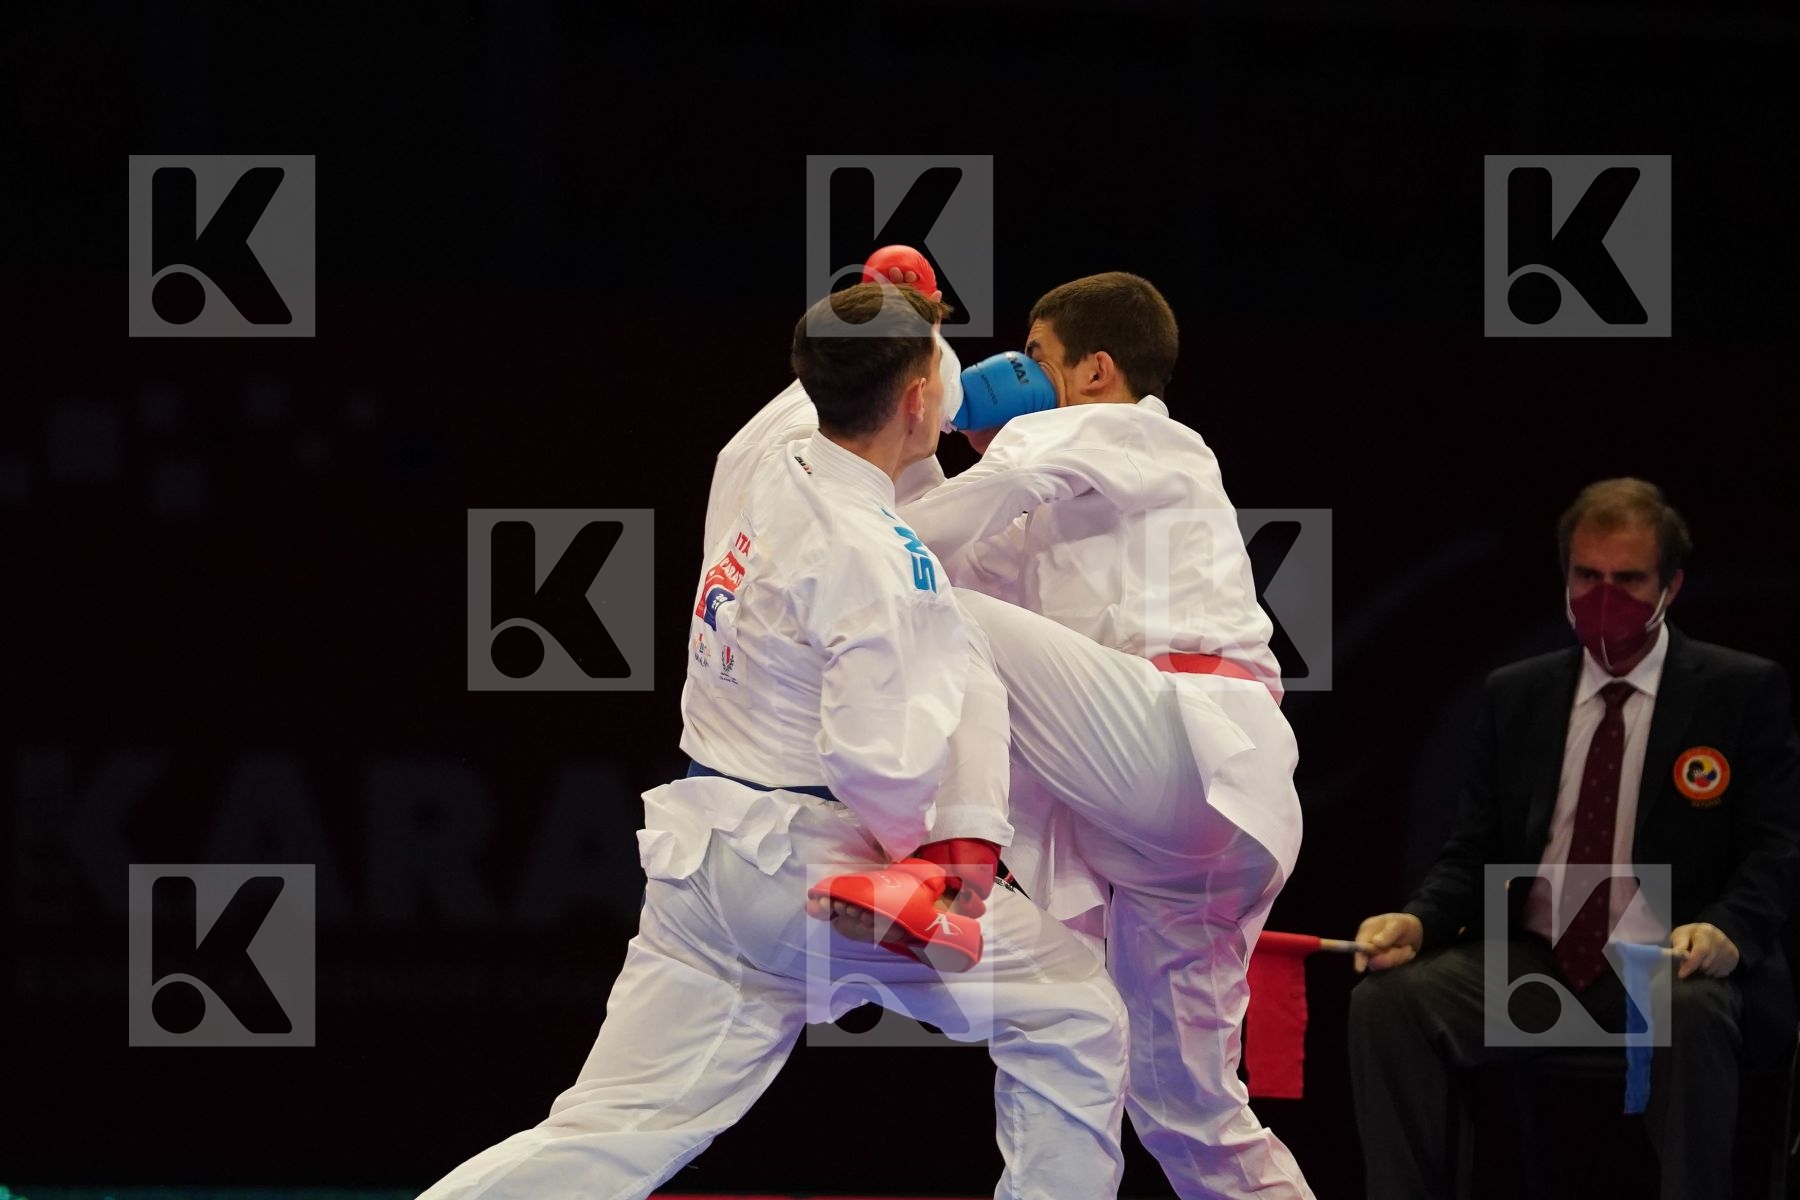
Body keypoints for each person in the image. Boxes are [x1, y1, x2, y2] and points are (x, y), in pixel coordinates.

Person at [416, 283, 1129, 1200]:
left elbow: (850, 368)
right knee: (1072, 1012)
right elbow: (882, 769)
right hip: (813, 875)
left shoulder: (762, 452)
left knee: (611, 1132)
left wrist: (902, 313)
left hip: (701, 856)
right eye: (934, 377)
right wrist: (938, 849)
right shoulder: (880, 558)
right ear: (916, 399)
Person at [901, 271, 1316, 1198]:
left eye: (1035, 359)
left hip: (1184, 744)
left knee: (946, 615)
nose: (1020, 375)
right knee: (1176, 1106)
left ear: (1094, 370)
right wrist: (916, 438)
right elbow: (925, 549)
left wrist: (929, 380)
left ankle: (954, 859)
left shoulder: (1129, 428)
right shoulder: (1050, 491)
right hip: (1194, 822)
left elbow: (909, 559)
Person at [1347, 478, 1800, 1200]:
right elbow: (1471, 852)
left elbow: (1775, 853)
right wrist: (1420, 919)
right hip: (1537, 961)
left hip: (1667, 965)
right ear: (1565, 578)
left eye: (1628, 579)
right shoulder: (1518, 694)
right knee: (1391, 1000)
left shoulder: (1739, 691)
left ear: (1671, 587)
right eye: (1588, 576)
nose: (1604, 595)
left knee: (1690, 1011)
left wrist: (1725, 930)